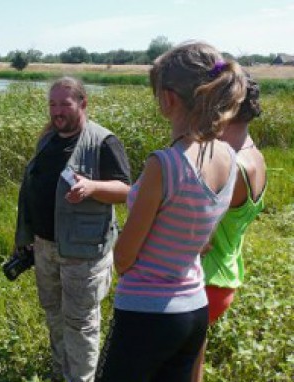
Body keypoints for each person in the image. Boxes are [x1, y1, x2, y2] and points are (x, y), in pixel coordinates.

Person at [95, 42, 247, 382]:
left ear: (169, 98)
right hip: (194, 307)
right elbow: (202, 240)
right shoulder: (229, 157)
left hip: (146, 314)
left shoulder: (164, 164)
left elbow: (124, 259)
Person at [14, 76, 132, 382]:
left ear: (83, 103)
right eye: (52, 104)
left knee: (80, 323)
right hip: (45, 247)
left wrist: (92, 187)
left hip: (84, 252)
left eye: (64, 104)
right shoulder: (48, 139)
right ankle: (61, 372)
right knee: (54, 315)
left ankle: (80, 378)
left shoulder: (104, 142)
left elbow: (126, 190)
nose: (56, 111)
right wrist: (28, 240)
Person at [191, 76, 267, 382]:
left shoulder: (231, 165)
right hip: (226, 274)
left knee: (178, 363)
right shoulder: (255, 155)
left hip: (206, 279)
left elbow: (201, 240)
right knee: (193, 357)